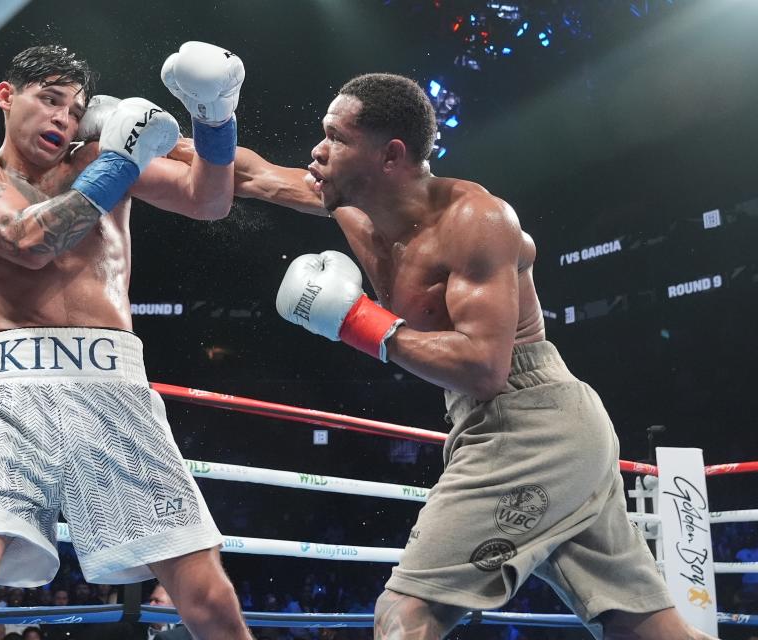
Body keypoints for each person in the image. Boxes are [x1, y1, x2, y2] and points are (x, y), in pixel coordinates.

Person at [229, 73, 716, 639]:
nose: (317, 149)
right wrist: (149, 134)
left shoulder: (475, 221)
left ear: (390, 155)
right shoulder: (351, 204)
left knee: (405, 614)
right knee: (645, 629)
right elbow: (250, 175)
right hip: (534, 426)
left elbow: (487, 369)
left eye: (336, 136)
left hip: (529, 420)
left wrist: (357, 321)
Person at [0, 43, 251, 640]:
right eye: (49, 99)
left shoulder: (99, 158)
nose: (63, 118)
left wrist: (215, 117)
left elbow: (209, 199)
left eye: (75, 108)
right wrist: (119, 157)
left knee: (208, 595)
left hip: (114, 388)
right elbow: (26, 241)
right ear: (6, 95)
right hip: (13, 392)